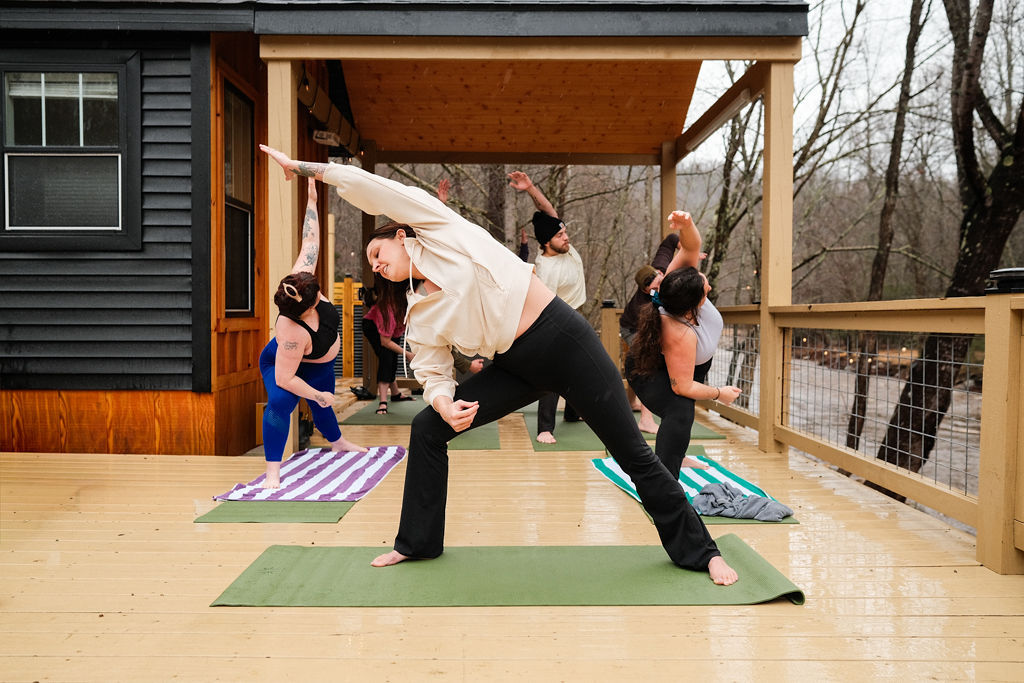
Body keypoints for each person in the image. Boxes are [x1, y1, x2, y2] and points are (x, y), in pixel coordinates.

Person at [259, 145, 738, 586]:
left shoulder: (440, 230)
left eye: (378, 253)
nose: (376, 265)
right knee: (428, 428)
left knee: (634, 454)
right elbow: (430, 368)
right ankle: (417, 543)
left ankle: (702, 552)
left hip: (564, 340)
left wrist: (307, 170)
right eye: (372, 264)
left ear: (401, 236)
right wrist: (444, 403)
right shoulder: (417, 309)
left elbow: (383, 190)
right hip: (515, 363)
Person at [258, 177, 367, 488]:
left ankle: (338, 442)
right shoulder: (290, 329)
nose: (321, 297)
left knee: (325, 407)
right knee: (281, 402)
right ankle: (273, 470)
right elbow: (286, 378)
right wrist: (315, 393)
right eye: (316, 300)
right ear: (304, 310)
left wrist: (312, 202)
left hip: (320, 363)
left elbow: (311, 242)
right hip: (285, 366)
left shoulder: (301, 282)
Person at [626, 210, 742, 480]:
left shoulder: (674, 283)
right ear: (692, 306)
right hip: (649, 371)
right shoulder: (680, 333)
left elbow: (691, 246)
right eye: (705, 288)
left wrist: (687, 224)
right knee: (680, 410)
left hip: (678, 366)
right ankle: (665, 480)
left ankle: (676, 456)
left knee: (683, 408)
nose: (708, 286)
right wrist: (719, 393)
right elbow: (683, 386)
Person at [508, 170, 585, 444]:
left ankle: (574, 413)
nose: (566, 236)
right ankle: (544, 428)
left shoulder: (567, 249)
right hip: (555, 320)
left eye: (564, 232)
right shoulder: (542, 268)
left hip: (576, 314)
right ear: (546, 242)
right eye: (560, 234)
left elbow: (548, 211)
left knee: (582, 365)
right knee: (555, 371)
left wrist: (530, 188)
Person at [620, 232, 682, 434]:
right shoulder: (643, 306)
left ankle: (630, 404)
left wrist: (688, 251)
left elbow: (670, 240)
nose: (661, 285)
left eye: (660, 279)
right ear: (647, 291)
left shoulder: (661, 268)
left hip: (642, 325)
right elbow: (652, 333)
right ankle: (646, 420)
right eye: (656, 287)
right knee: (648, 365)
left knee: (639, 365)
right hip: (632, 328)